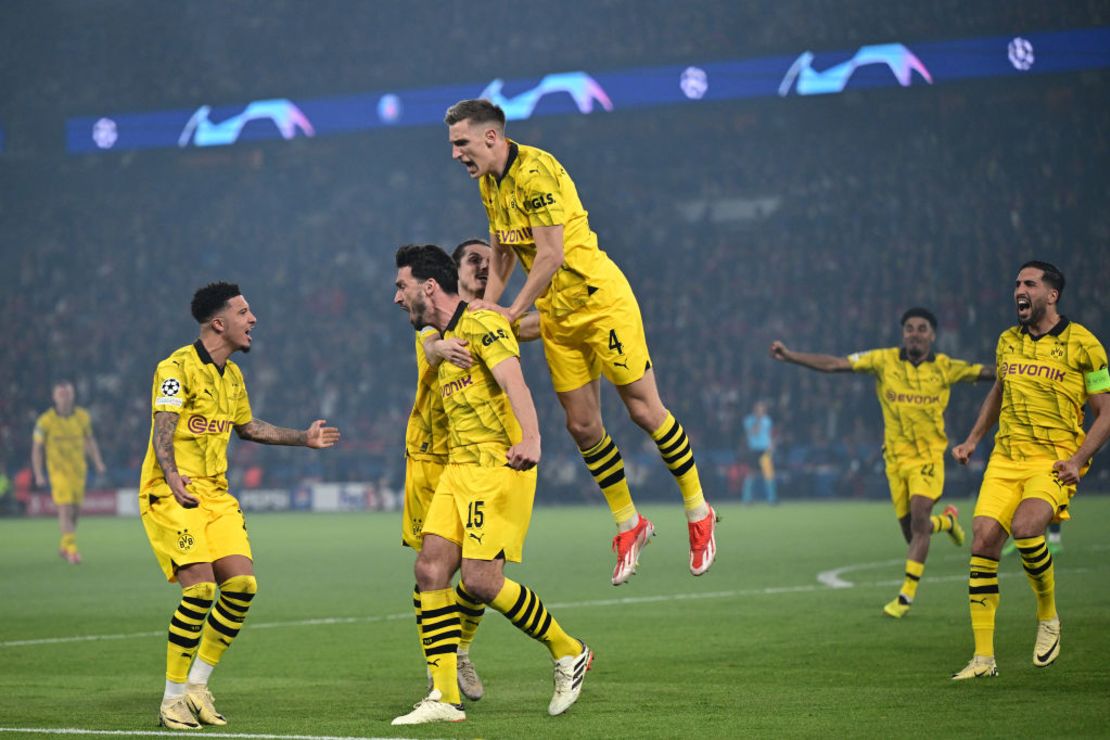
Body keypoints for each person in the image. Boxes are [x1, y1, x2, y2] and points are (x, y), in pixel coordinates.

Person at [444, 99, 717, 586]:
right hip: (558, 315)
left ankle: (698, 509)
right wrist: (487, 306)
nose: (455, 154)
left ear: (490, 138)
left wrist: (509, 312)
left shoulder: (538, 173)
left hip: (599, 302)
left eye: (461, 143)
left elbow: (549, 255)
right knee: (582, 425)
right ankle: (629, 524)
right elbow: (504, 246)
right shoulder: (489, 182)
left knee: (643, 411)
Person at [391, 245, 591, 726]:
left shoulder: (482, 324)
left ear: (429, 286)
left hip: (497, 463)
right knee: (430, 569)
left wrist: (532, 438)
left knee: (481, 581)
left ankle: (570, 651)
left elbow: (513, 382)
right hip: (458, 466)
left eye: (402, 286)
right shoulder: (442, 334)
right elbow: (424, 330)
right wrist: (432, 344)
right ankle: (443, 696)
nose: (397, 296)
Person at [139, 282, 340, 729]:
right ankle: (171, 699)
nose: (253, 320)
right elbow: (163, 427)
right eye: (244, 312)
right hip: (174, 492)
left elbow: (247, 428)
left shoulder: (232, 376)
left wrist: (302, 438)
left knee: (243, 587)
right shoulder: (175, 368)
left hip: (216, 495)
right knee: (201, 590)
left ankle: (196, 687)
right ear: (218, 322)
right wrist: (171, 476)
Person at [770, 308, 993, 618]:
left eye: (922, 328)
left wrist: (1026, 368)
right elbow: (836, 365)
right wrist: (791, 356)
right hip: (895, 460)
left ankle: (905, 597)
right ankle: (947, 522)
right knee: (914, 531)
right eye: (910, 328)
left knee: (918, 517)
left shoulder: (945, 367)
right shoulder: (883, 360)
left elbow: (986, 372)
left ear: (932, 335)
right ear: (903, 334)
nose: (915, 333)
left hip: (927, 457)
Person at [950, 261, 1110, 680]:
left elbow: (1106, 412)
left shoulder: (1084, 344)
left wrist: (1077, 461)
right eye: (1017, 283)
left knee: (1026, 527)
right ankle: (983, 659)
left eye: (1029, 283)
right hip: (1006, 458)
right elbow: (998, 393)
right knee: (983, 541)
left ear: (1052, 295)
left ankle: (1048, 616)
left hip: (1053, 458)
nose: (1018, 289)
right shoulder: (1007, 341)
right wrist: (972, 439)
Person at [32, 380, 107, 564]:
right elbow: (37, 448)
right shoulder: (45, 421)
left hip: (78, 471)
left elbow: (89, 440)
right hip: (58, 472)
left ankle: (65, 545)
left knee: (75, 511)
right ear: (54, 397)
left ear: (73, 396)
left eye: (68, 394)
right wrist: (39, 473)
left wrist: (98, 462)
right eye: (61, 395)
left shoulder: (82, 417)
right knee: (65, 508)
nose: (65, 398)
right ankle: (72, 550)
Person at [741, 401, 777, 504]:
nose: (761, 411)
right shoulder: (748, 420)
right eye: (759, 409)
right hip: (753, 450)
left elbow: (769, 434)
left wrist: (771, 445)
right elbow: (753, 432)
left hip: (765, 450)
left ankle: (772, 499)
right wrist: (757, 420)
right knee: (751, 475)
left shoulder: (767, 420)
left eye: (763, 409)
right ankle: (747, 499)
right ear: (755, 409)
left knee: (768, 474)